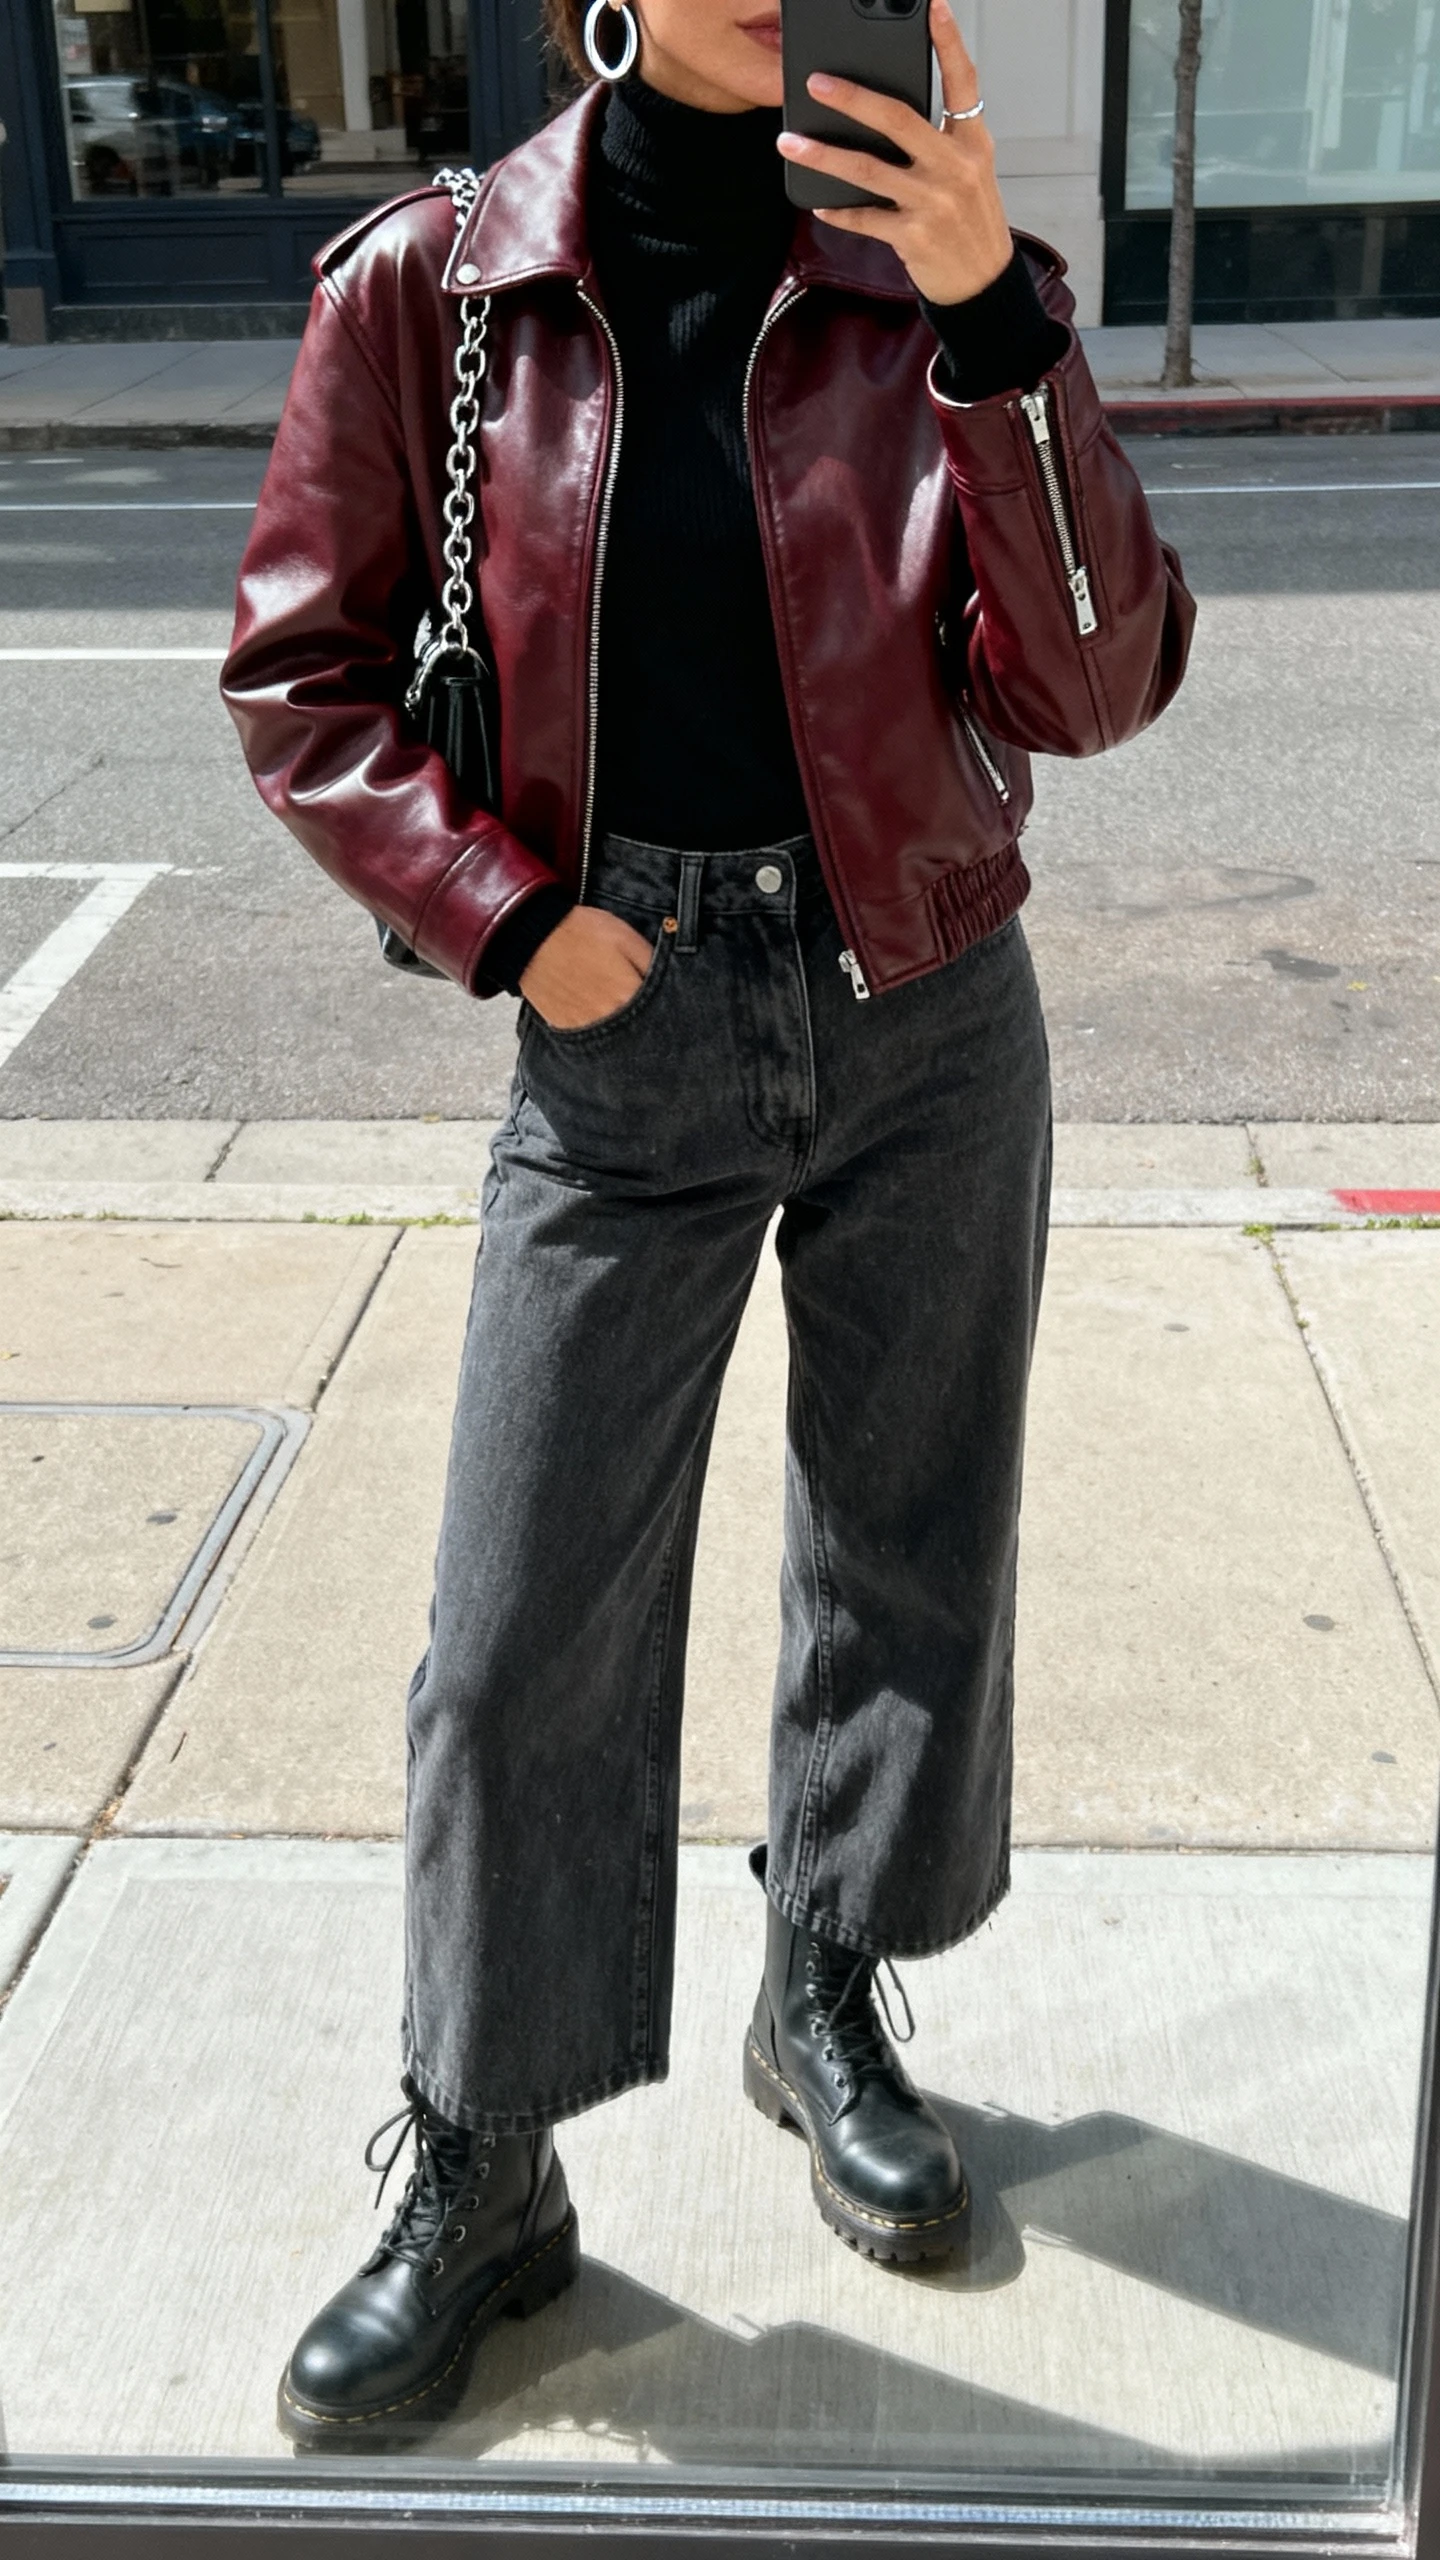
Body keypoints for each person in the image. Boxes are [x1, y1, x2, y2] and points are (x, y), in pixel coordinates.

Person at [222, 0, 1195, 2449]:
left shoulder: (937, 271)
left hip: (927, 992)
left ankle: (829, 1977)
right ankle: (486, 2146)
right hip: (619, 1010)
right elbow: (301, 673)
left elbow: (1093, 684)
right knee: (514, 1623)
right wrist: (504, 914)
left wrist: (998, 327)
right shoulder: (438, 286)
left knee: (907, 1545)